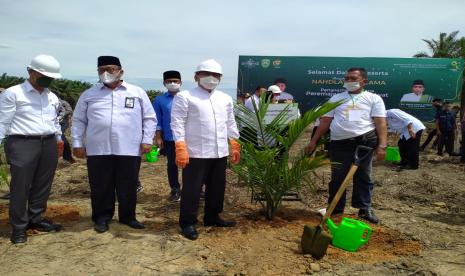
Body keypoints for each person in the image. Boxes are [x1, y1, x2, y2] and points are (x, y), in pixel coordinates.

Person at [72, 56, 157, 233]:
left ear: (120, 71)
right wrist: (78, 143)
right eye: (101, 69)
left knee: (128, 184)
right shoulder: (89, 94)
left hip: (129, 147)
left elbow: (149, 118)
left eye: (110, 69)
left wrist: (147, 140)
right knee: (100, 185)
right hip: (98, 148)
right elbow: (79, 120)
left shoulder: (136, 92)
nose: (106, 73)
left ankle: (128, 217)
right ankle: (102, 217)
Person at [304, 67, 387, 224]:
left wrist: (382, 146)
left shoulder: (374, 99)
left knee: (364, 176)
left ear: (364, 81)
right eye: (347, 78)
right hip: (339, 143)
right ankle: (335, 208)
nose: (349, 81)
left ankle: (364, 209)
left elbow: (380, 122)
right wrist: (313, 141)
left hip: (365, 142)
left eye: (353, 78)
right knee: (337, 177)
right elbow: (325, 122)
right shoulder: (336, 98)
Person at [171, 59, 241, 240]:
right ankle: (188, 222)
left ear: (221, 78)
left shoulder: (225, 98)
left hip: (219, 152)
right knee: (192, 189)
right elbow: (177, 122)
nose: (211, 78)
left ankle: (212, 216)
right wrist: (180, 146)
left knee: (217, 187)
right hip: (195, 152)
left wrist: (234, 142)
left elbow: (230, 122)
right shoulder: (185, 96)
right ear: (196, 76)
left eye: (216, 75)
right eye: (206, 74)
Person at [0, 54, 64, 244]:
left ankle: (35, 219)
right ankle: (19, 227)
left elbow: (55, 120)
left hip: (49, 142)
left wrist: (59, 139)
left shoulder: (51, 96)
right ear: (31, 71)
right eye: (45, 75)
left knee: (43, 184)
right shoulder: (13, 93)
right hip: (22, 143)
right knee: (20, 186)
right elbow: (3, 121)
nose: (48, 80)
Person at [153, 70, 183, 202]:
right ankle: (175, 190)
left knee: (191, 164)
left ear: (180, 82)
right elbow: (157, 121)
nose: (172, 83)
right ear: (164, 83)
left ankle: (194, 189)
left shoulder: (188, 97)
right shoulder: (159, 100)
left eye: (175, 81)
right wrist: (158, 137)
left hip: (188, 138)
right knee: (172, 164)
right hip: (170, 138)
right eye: (169, 81)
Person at [57, 99, 75, 163]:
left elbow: (70, 111)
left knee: (61, 137)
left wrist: (63, 113)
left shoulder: (63, 102)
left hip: (63, 123)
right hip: (53, 124)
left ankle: (68, 157)